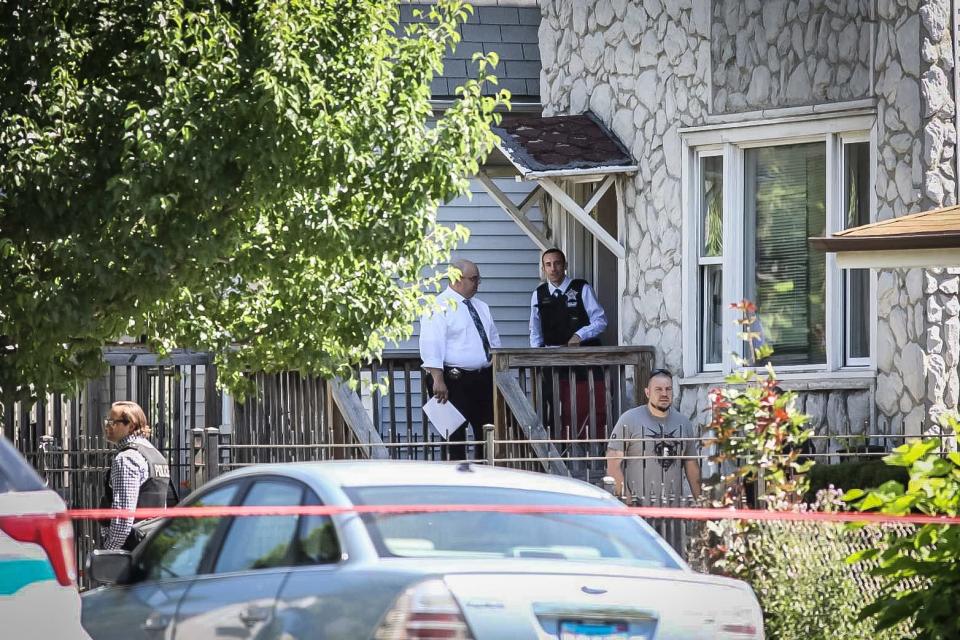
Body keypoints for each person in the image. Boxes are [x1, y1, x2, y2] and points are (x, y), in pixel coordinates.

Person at [419, 259, 501, 460]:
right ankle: (456, 479)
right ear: (457, 278)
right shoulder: (439, 306)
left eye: (478, 279)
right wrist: (437, 378)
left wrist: (497, 371)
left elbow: (494, 341)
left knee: (487, 428)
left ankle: (485, 473)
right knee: (454, 434)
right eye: (473, 279)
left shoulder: (481, 307)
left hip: (483, 377)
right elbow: (431, 343)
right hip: (452, 378)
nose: (477, 283)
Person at [529, 247, 608, 438]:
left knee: (582, 407)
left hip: (581, 361)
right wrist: (536, 357)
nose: (553, 268)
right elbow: (535, 330)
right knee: (553, 408)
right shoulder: (539, 294)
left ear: (565, 265)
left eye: (557, 263)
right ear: (543, 268)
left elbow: (600, 320)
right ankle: (557, 451)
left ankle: (587, 448)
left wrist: (580, 335)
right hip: (551, 361)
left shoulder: (581, 288)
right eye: (548, 264)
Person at [605, 369, 702, 503]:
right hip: (639, 510)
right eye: (658, 389)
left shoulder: (683, 423)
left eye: (668, 389)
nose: (664, 394)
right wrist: (628, 503)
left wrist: (703, 503)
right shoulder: (629, 420)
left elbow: (691, 466)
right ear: (647, 392)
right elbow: (613, 466)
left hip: (674, 512)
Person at [99, 400, 175, 550]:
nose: (107, 426)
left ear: (131, 426)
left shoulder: (126, 458)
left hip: (130, 551)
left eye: (113, 422)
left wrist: (107, 553)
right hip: (152, 546)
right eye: (107, 421)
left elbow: (123, 519)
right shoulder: (154, 455)